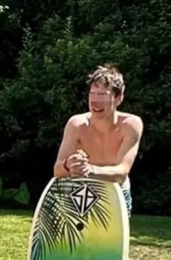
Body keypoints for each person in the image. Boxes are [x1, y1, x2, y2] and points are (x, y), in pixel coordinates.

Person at [53, 64, 143, 216]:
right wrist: (69, 165)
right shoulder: (77, 124)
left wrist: (91, 170)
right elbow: (57, 170)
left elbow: (121, 173)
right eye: (92, 94)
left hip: (117, 193)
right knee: (81, 240)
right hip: (84, 192)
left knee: (114, 240)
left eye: (102, 96)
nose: (95, 102)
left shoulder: (131, 125)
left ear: (118, 98)